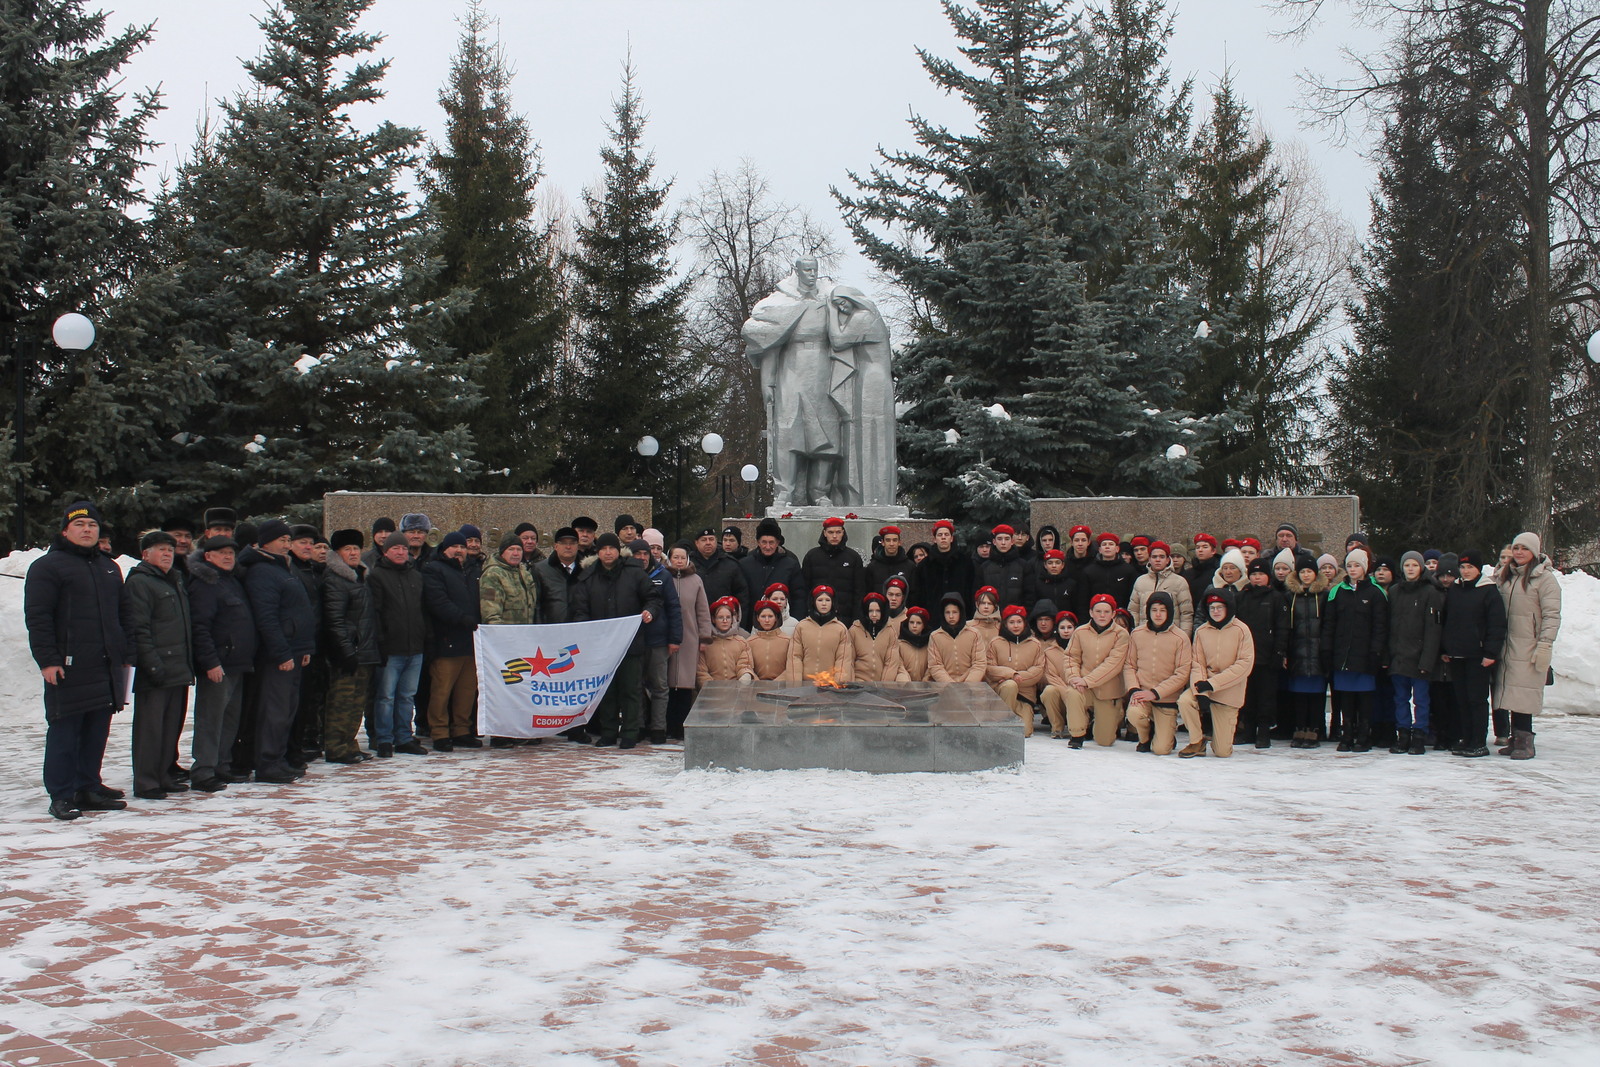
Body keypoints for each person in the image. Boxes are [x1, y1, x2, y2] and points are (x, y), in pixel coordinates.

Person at [26, 502, 130, 820]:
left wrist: (125, 655)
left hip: (105, 664)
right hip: (68, 666)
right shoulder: (48, 567)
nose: (87, 529)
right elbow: (38, 617)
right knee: (65, 731)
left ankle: (87, 786)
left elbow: (123, 615)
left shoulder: (109, 567)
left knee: (97, 729)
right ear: (65, 530)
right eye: (80, 524)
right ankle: (61, 794)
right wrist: (48, 660)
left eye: (93, 525)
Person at [240, 519, 318, 783]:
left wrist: (304, 647)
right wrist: (282, 653)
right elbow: (267, 618)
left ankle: (278, 758)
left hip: (295, 649)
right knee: (274, 710)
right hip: (278, 655)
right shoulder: (262, 571)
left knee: (287, 709)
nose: (287, 544)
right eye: (282, 540)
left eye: (288, 540)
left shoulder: (282, 567)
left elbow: (297, 610)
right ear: (265, 542)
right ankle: (267, 763)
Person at [121, 530, 195, 800]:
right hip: (156, 668)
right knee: (150, 729)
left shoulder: (174, 580)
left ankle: (163, 774)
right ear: (145, 554)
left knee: (170, 727)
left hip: (178, 667)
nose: (167, 554)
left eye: (170, 550)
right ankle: (146, 781)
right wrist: (151, 664)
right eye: (161, 549)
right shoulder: (141, 583)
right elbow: (139, 628)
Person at [573, 532, 662, 748]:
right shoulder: (588, 576)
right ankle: (609, 732)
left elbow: (652, 597)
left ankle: (630, 732)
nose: (607, 552)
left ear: (618, 550)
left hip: (630, 642)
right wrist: (585, 629)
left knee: (630, 689)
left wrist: (649, 611)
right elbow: (580, 608)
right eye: (603, 549)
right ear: (598, 552)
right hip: (601, 647)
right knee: (606, 691)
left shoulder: (633, 572)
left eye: (611, 548)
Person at [188, 534, 256, 789]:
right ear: (208, 556)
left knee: (229, 719)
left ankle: (221, 765)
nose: (228, 557)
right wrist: (210, 662)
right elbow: (200, 627)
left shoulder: (231, 581)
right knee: (210, 719)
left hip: (237, 663)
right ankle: (203, 771)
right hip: (218, 665)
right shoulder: (205, 583)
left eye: (231, 553)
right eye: (222, 553)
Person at [1491, 532, 1562, 760]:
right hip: (1507, 643)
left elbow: (1552, 615)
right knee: (1510, 692)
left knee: (1523, 694)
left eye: (1524, 548)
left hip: (1529, 644)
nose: (1519, 552)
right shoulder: (1506, 575)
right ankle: (1514, 738)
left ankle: (1525, 740)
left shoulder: (1544, 579)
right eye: (1516, 547)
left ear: (1534, 551)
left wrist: (1545, 644)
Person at [366, 538, 430, 758]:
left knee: (407, 696)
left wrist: (424, 636)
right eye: (396, 548)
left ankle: (403, 737)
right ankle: (383, 739)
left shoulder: (415, 576)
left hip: (415, 646)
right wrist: (380, 643)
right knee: (385, 696)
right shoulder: (377, 576)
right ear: (385, 552)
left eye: (404, 548)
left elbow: (423, 609)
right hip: (391, 647)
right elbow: (375, 612)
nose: (401, 551)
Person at [321, 529, 380, 763]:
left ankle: (349, 743)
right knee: (341, 702)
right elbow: (334, 621)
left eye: (356, 549)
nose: (353, 553)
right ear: (337, 553)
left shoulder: (361, 577)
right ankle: (336, 747)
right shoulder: (335, 579)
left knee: (357, 703)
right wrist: (345, 651)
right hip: (347, 653)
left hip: (364, 651)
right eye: (348, 549)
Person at [1321, 549, 1389, 752]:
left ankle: (1363, 735)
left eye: (1357, 565)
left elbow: (1380, 626)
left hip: (1365, 655)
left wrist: (1376, 652)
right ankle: (1347, 734)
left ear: (1365, 568)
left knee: (1364, 698)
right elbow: (1329, 624)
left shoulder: (1376, 593)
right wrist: (1326, 649)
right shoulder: (1337, 592)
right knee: (1346, 698)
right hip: (1343, 655)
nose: (1352, 569)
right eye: (1349, 566)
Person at [1442, 549, 1507, 758]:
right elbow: (1447, 620)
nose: (1466, 571)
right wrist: (1446, 648)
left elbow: (1496, 625)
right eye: (1462, 567)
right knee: (1461, 698)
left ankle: (1479, 741)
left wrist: (1491, 652)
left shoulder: (1489, 591)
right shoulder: (1455, 589)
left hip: (1478, 656)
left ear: (1478, 569)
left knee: (1476, 699)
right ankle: (1466, 737)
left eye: (1470, 567)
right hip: (1457, 654)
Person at [1178, 587, 1256, 758]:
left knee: (1222, 752)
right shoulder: (1202, 631)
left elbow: (1244, 665)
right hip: (1205, 687)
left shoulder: (1241, 630)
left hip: (1228, 691)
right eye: (1212, 608)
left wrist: (1213, 684)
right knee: (1185, 701)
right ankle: (1196, 741)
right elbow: (1197, 663)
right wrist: (1202, 691)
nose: (1216, 611)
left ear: (1228, 608)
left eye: (1220, 607)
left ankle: (1219, 739)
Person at [1387, 551, 1444, 755]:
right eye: (1407, 565)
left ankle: (1419, 734)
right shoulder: (1394, 592)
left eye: (1414, 565)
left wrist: (1427, 660)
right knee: (1400, 698)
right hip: (1398, 656)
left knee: (1421, 699)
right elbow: (1388, 626)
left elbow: (1433, 630)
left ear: (1421, 568)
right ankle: (1403, 733)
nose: (1410, 569)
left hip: (1419, 657)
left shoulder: (1430, 592)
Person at [1122, 591, 1191, 754]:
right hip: (1142, 694)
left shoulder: (1180, 638)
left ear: (1169, 612)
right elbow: (1129, 665)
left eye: (1162, 610)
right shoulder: (1137, 634)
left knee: (1161, 750)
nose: (1158, 614)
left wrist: (1155, 693)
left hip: (1166, 698)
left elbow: (1182, 673)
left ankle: (1163, 733)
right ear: (1148, 612)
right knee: (1134, 713)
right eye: (1154, 610)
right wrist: (1134, 690)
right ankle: (1145, 738)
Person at [1062, 594, 1131, 748]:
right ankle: (1077, 734)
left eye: (1106, 612)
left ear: (1113, 614)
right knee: (1072, 693)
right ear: (1091, 612)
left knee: (1104, 741)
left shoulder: (1121, 634)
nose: (1102, 615)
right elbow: (1070, 657)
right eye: (1098, 611)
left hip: (1108, 690)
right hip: (1082, 687)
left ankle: (1107, 720)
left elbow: (1113, 664)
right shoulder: (1080, 632)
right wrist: (1074, 677)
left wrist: (1087, 681)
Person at [1235, 558, 1289, 748]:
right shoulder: (1242, 596)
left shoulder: (1276, 598)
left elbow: (1283, 627)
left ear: (1268, 577)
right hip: (1245, 657)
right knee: (1247, 696)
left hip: (1268, 656)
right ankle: (1248, 731)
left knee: (1266, 696)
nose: (1257, 578)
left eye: (1261, 574)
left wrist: (1279, 652)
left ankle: (1264, 733)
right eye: (1254, 574)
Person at [635, 538, 682, 744]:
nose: (643, 557)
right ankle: (638, 725)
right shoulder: (627, 575)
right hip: (633, 641)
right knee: (635, 686)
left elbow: (674, 607)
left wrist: (674, 638)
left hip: (658, 640)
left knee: (660, 686)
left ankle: (658, 728)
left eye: (646, 554)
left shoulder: (662, 575)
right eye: (638, 554)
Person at [666, 545, 712, 738]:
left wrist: (704, 637)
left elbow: (702, 611)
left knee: (685, 683)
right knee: (665, 684)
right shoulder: (663, 578)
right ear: (669, 559)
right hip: (666, 638)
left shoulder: (696, 580)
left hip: (689, 638)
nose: (679, 561)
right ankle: (665, 725)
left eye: (682, 557)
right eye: (675, 557)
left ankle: (681, 727)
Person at [1283, 559, 1331, 748]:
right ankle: (1300, 727)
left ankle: (1314, 729)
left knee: (1317, 694)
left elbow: (1328, 624)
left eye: (1309, 571)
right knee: (1300, 694)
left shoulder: (1324, 596)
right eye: (1302, 571)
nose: (1306, 575)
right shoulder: (1289, 596)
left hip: (1318, 652)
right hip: (1298, 652)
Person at [986, 604, 1045, 735]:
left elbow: (1038, 670)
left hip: (1025, 696)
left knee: (1024, 732)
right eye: (1011, 622)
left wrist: (1018, 677)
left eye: (1019, 622)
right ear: (1005, 624)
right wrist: (1011, 675)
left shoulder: (1035, 644)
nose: (1016, 625)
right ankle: (1001, 720)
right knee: (1010, 685)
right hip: (1001, 692)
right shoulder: (995, 642)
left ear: (1024, 623)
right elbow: (989, 668)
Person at [737, 518, 804, 628]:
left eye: (771, 542)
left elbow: (799, 596)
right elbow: (742, 596)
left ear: (777, 542)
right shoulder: (745, 564)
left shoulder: (790, 564)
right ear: (758, 542)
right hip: (752, 623)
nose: (767, 547)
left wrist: (796, 622)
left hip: (782, 623)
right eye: (764, 542)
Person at [801, 518, 864, 624]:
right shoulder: (812, 556)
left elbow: (859, 591)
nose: (834, 536)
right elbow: (804, 588)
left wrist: (856, 618)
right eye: (831, 532)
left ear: (843, 533)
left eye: (838, 532)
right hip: (816, 618)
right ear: (824, 533)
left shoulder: (853, 557)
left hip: (845, 618)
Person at [787, 584, 853, 682]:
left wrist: (839, 687)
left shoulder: (841, 629)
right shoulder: (802, 627)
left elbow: (843, 661)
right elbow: (794, 657)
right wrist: (795, 684)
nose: (824, 603)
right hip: (805, 684)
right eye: (820, 600)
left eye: (827, 600)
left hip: (830, 686)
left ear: (833, 603)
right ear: (813, 602)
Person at [1127, 540, 1195, 634]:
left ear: (1167, 560)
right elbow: (1133, 611)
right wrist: (1134, 632)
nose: (1158, 559)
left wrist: (1184, 637)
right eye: (1154, 557)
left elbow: (1186, 613)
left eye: (1162, 557)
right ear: (1149, 559)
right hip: (1144, 635)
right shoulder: (1140, 581)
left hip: (1171, 635)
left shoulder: (1179, 582)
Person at [914, 519, 974, 613]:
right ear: (934, 539)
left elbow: (971, 591)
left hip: (960, 616)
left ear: (951, 538)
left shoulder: (965, 562)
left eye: (946, 535)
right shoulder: (924, 566)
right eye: (939, 535)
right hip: (933, 617)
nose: (943, 538)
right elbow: (918, 594)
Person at [1037, 609, 1079, 738]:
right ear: (1057, 630)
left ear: (1075, 629)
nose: (1066, 631)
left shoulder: (1082, 649)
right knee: (1049, 691)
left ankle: (1078, 728)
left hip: (1080, 693)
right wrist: (1067, 693)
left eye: (1069, 627)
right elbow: (1052, 676)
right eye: (1062, 627)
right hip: (1061, 695)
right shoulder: (1049, 651)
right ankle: (1057, 727)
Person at [928, 593, 988, 682]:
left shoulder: (974, 634)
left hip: (970, 686)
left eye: (955, 612)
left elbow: (979, 663)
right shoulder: (935, 636)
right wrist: (950, 685)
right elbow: (935, 666)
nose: (951, 616)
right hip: (946, 687)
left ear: (961, 612)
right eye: (947, 612)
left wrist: (968, 684)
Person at [692, 526, 751, 616]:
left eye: (711, 539)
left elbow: (742, 597)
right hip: (695, 620)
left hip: (723, 622)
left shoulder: (730, 564)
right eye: (704, 540)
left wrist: (739, 624)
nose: (708, 543)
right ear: (696, 543)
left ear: (716, 541)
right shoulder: (688, 564)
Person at [1079, 531, 1139, 615]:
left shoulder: (1128, 571)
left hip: (1121, 617)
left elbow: (1133, 599)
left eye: (1111, 544)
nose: (1107, 547)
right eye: (1104, 544)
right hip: (1096, 616)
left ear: (1117, 549)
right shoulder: (1089, 571)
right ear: (1100, 550)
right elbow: (1082, 600)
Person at [698, 597, 755, 682]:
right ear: (713, 619)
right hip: (712, 690)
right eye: (720, 617)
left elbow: (744, 665)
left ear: (732, 619)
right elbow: (701, 672)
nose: (725, 621)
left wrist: (745, 676)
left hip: (735, 689)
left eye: (728, 617)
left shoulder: (741, 642)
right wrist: (710, 688)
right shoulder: (706, 643)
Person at [976, 524, 1031, 609]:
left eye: (1007, 539)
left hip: (1015, 618)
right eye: (999, 539)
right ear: (994, 542)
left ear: (1012, 541)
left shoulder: (1023, 566)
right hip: (991, 618)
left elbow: (1029, 596)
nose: (1003, 543)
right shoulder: (984, 567)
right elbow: (978, 596)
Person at [536, 526, 580, 625]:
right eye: (563, 543)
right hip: (551, 629)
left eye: (572, 543)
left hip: (580, 628)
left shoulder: (586, 569)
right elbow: (537, 605)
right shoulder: (540, 570)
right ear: (556, 546)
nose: (568, 547)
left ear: (578, 546)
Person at [849, 593, 891, 682]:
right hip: (859, 683)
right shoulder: (854, 630)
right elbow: (849, 661)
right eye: (870, 611)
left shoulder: (890, 631)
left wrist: (884, 686)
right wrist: (852, 684)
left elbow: (891, 663)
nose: (874, 614)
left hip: (882, 684)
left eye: (878, 611)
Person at [864, 525, 914, 599]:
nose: (891, 544)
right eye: (888, 540)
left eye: (894, 540)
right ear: (883, 543)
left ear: (899, 542)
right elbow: (867, 593)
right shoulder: (872, 567)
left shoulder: (910, 566)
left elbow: (913, 593)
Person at [885, 606, 933, 682]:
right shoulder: (899, 644)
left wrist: (926, 680)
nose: (914, 626)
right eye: (911, 622)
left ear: (924, 625)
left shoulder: (930, 645)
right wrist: (906, 682)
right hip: (904, 686)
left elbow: (932, 665)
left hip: (925, 687)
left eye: (918, 623)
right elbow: (899, 666)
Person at [747, 600, 792, 681]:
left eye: (770, 616)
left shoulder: (788, 641)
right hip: (756, 687)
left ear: (776, 618)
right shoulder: (749, 642)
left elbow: (792, 665)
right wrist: (756, 681)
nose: (767, 620)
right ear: (757, 618)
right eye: (763, 616)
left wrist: (778, 681)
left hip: (781, 687)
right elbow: (747, 666)